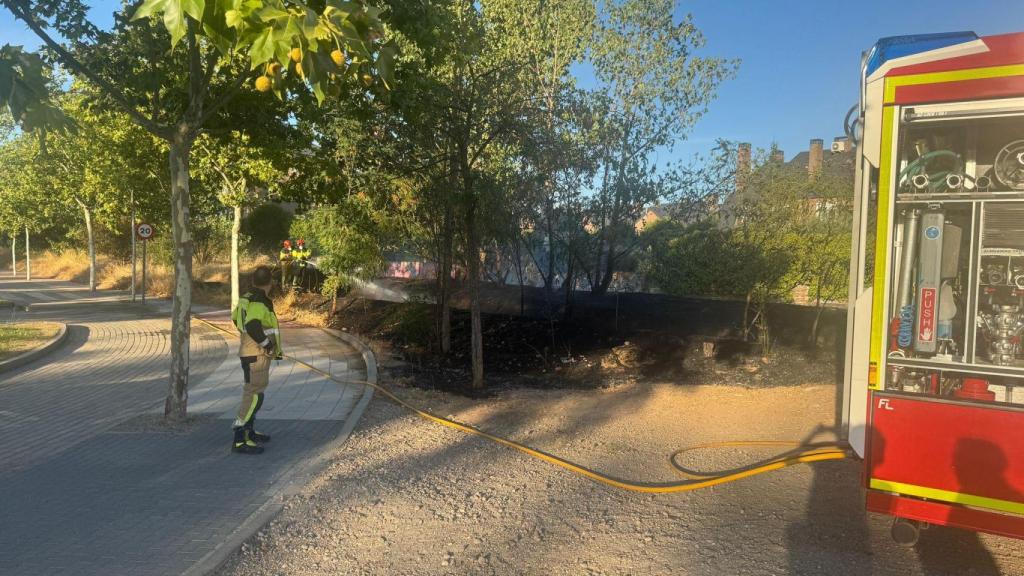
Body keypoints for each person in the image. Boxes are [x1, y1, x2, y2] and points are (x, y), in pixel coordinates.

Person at [229, 265, 281, 454]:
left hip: (248, 352)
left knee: (254, 392)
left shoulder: (246, 297)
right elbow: (252, 324)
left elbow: (236, 319)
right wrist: (266, 344)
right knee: (253, 395)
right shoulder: (260, 301)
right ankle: (240, 437)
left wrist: (248, 339)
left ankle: (249, 431)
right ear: (271, 282)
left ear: (253, 281)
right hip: (257, 355)